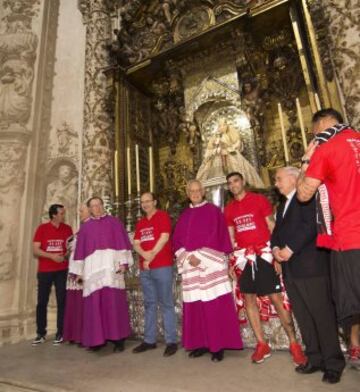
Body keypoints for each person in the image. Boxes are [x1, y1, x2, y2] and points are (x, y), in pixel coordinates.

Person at [297, 108, 360, 365]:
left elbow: (303, 193)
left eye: (314, 133)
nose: (314, 137)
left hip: (350, 236)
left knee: (352, 303)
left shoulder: (327, 148)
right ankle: (355, 344)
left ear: (321, 124)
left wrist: (306, 160)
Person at [272, 166, 345, 384]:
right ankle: (314, 358)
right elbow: (276, 232)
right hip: (291, 269)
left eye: (278, 179)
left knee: (322, 316)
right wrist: (275, 249)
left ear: (295, 179)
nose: (276, 183)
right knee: (304, 317)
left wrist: (289, 249)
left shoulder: (307, 198)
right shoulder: (283, 204)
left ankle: (333, 363)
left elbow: (310, 226)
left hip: (311, 267)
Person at [224, 171, 305, 364]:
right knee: (249, 299)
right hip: (244, 258)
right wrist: (230, 262)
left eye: (236, 180)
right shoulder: (228, 209)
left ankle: (294, 344)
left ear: (243, 181)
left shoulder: (259, 200)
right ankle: (262, 344)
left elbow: (272, 227)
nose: (233, 184)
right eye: (230, 183)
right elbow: (230, 237)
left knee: (276, 298)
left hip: (264, 254)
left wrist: (277, 257)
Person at [172, 180, 243, 362]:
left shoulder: (213, 211)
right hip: (191, 268)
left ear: (203, 192)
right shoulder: (184, 215)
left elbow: (217, 236)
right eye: (191, 191)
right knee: (197, 306)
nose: (195, 193)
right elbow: (177, 240)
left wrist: (200, 258)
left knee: (214, 306)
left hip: (210, 265)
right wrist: (188, 258)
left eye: (198, 190)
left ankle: (217, 346)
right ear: (187, 193)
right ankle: (201, 343)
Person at [70, 197, 132, 352]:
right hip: (93, 273)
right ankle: (97, 340)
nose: (96, 208)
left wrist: (123, 263)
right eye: (93, 206)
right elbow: (79, 252)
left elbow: (123, 244)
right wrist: (78, 272)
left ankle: (118, 339)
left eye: (99, 205)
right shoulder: (85, 228)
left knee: (113, 304)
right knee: (94, 305)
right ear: (90, 209)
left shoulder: (114, 223)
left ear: (103, 206)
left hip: (112, 271)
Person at [132, 192, 177, 357]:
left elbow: (164, 237)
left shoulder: (162, 216)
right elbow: (136, 243)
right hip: (145, 269)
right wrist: (145, 255)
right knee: (149, 304)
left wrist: (151, 254)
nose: (145, 205)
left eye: (148, 201)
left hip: (162, 266)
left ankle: (171, 341)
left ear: (155, 202)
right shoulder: (141, 222)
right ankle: (149, 340)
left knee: (166, 303)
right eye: (142, 202)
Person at [32, 204, 73, 345]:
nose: (63, 215)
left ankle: (60, 333)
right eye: (61, 213)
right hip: (45, 271)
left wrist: (65, 255)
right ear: (54, 215)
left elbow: (70, 249)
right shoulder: (42, 229)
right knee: (42, 302)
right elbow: (35, 250)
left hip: (62, 270)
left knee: (63, 301)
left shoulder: (67, 229)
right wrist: (51, 256)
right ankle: (40, 333)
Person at [196, 118, 264, 188]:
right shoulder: (215, 136)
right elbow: (210, 148)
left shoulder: (230, 134)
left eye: (223, 125)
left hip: (230, 154)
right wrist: (216, 146)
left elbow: (236, 144)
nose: (221, 127)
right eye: (220, 125)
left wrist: (227, 147)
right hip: (218, 155)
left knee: (236, 169)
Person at [63, 203, 90, 344]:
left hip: (83, 269)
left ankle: (81, 335)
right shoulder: (81, 228)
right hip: (74, 268)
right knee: (73, 302)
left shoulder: (90, 227)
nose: (80, 213)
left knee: (81, 303)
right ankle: (72, 334)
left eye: (82, 211)